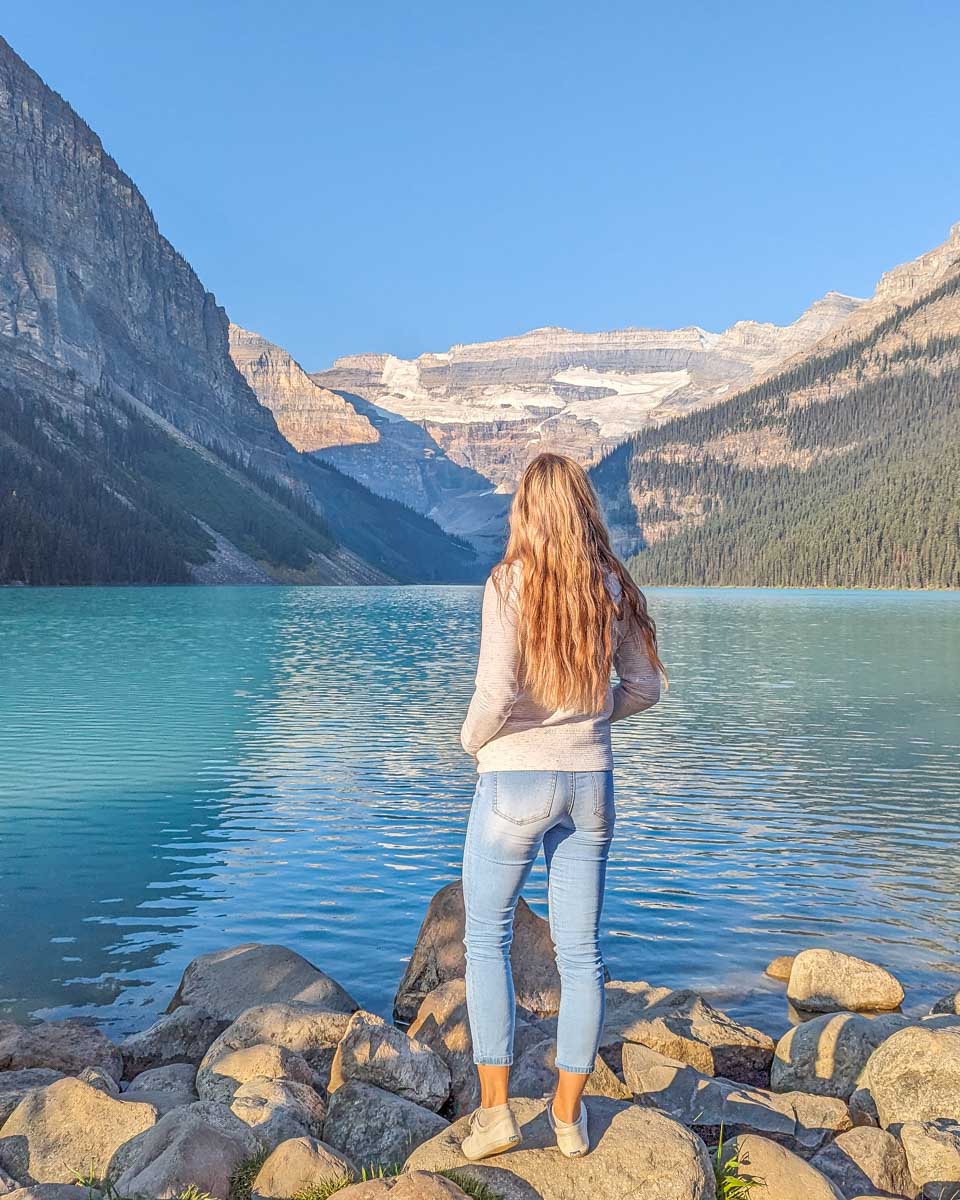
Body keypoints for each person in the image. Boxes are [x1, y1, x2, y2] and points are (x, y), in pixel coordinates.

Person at [457, 452, 665, 1162]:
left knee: (486, 938)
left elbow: (496, 694)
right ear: (582, 509)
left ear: (526, 510)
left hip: (516, 780)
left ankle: (494, 1117)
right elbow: (645, 689)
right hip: (591, 786)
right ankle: (569, 1121)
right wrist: (590, 714)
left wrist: (471, 742)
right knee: (581, 955)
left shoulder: (509, 582)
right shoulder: (612, 584)